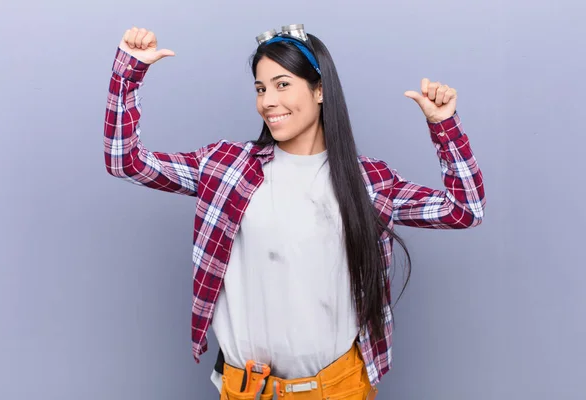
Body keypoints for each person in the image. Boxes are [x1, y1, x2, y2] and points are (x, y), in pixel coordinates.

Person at [104, 24, 486, 400]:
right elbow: (126, 162)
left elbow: (464, 209)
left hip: (339, 389)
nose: (268, 101)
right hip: (246, 391)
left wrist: (444, 127)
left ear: (320, 90)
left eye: (282, 84)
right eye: (260, 88)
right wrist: (129, 73)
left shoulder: (368, 182)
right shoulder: (226, 167)